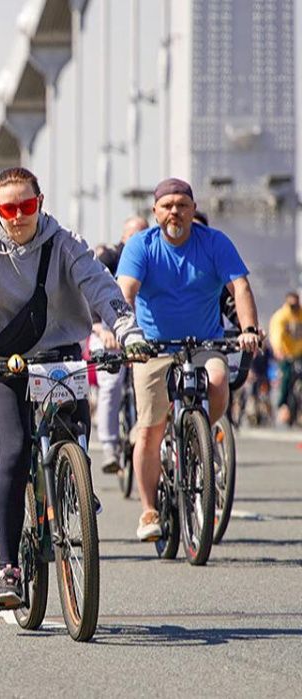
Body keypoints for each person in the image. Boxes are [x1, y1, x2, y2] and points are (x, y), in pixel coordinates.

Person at [0, 166, 149, 608]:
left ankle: (73, 481)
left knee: (72, 430)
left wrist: (128, 332)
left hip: (57, 356)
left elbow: (101, 287)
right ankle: (8, 569)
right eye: (8, 208)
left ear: (40, 202)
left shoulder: (65, 242)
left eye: (27, 206)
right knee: (16, 451)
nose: (18, 216)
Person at [116, 177, 261, 542]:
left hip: (204, 342)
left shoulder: (214, 243)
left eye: (182, 205)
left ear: (193, 210)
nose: (174, 212)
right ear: (155, 212)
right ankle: (148, 508)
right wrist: (124, 334)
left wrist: (249, 329)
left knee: (217, 382)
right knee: (149, 430)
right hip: (152, 346)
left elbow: (239, 286)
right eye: (167, 206)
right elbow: (126, 292)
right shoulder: (141, 246)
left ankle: (197, 438)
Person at [91, 215, 148, 472]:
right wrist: (100, 329)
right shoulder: (109, 259)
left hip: (142, 334)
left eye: (145, 233)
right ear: (124, 237)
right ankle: (110, 446)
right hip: (107, 332)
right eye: (135, 234)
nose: (141, 239)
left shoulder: (153, 256)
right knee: (112, 384)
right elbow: (90, 294)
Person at [268, 291, 302, 426]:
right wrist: (278, 350)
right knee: (286, 378)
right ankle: (282, 403)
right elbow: (277, 334)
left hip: (299, 353)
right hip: (285, 354)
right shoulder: (281, 317)